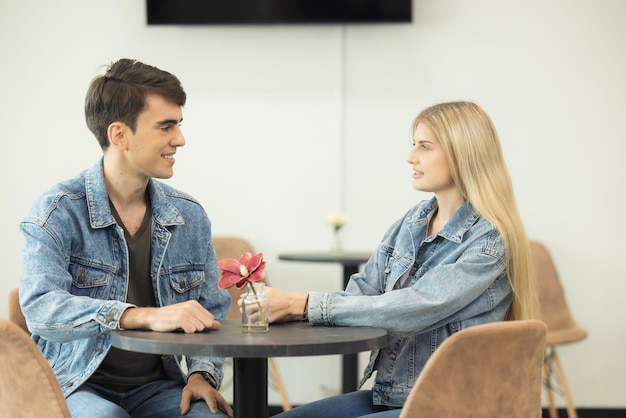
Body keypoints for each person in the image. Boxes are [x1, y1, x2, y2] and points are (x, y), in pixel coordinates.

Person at [262, 101, 539, 417]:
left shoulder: (490, 239)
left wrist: (304, 303)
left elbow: (418, 305)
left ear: (464, 155)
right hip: (394, 396)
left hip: (454, 405)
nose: (411, 157)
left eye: (425, 146)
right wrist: (291, 310)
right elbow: (364, 292)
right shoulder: (414, 221)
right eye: (413, 144)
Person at [18, 58, 234, 418]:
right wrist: (139, 316)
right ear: (119, 135)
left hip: (158, 386)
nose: (179, 140)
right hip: (72, 382)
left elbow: (210, 311)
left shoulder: (189, 216)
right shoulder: (58, 211)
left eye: (178, 125)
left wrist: (200, 375)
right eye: (166, 127)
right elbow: (40, 308)